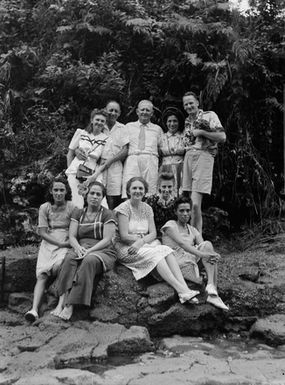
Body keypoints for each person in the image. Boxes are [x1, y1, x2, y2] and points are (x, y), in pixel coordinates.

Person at [114, 177, 200, 304]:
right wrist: (139, 241)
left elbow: (153, 233)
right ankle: (181, 290)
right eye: (134, 188)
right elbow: (124, 236)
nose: (137, 191)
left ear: (145, 191)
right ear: (128, 191)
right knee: (157, 254)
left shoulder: (147, 208)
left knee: (166, 249)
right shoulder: (124, 208)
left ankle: (185, 290)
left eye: (140, 188)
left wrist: (141, 242)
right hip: (126, 248)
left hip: (143, 244)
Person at [51, 181, 117, 320]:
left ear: (102, 197)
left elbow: (107, 239)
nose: (94, 196)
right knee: (69, 259)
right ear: (86, 195)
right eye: (92, 193)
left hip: (102, 250)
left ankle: (71, 304)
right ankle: (61, 301)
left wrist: (90, 250)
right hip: (81, 246)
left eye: (98, 194)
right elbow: (72, 236)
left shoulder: (107, 214)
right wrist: (78, 247)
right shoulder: (78, 212)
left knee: (89, 260)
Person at [161, 196, 229, 310]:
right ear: (175, 212)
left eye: (188, 210)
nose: (185, 214)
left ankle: (212, 287)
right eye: (181, 211)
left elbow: (204, 247)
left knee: (207, 245)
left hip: (191, 260)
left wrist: (212, 254)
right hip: (177, 263)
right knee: (207, 253)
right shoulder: (170, 225)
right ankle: (213, 293)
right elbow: (182, 244)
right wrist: (204, 255)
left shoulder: (192, 229)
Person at [25, 177, 74, 322]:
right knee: (42, 274)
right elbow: (42, 232)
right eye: (56, 190)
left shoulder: (72, 207)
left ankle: (61, 304)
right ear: (51, 192)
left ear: (66, 191)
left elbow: (74, 229)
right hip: (49, 242)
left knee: (61, 267)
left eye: (61, 190)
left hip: (66, 239)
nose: (59, 193)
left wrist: (66, 243)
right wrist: (58, 243)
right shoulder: (44, 207)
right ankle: (34, 310)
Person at [182, 92, 226, 233]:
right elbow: (187, 142)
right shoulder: (187, 121)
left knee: (195, 204)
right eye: (186, 104)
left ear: (197, 103)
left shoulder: (209, 115)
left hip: (203, 158)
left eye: (191, 103)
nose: (189, 106)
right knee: (188, 204)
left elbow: (222, 137)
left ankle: (197, 240)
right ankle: (190, 238)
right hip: (189, 157)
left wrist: (201, 132)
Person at [87, 101, 129, 209]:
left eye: (116, 111)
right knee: (96, 191)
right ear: (105, 110)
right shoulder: (99, 124)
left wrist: (111, 160)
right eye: (111, 110)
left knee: (112, 196)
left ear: (119, 113)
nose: (113, 113)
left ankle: (110, 220)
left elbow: (125, 150)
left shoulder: (122, 128)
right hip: (98, 164)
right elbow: (87, 139)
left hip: (115, 165)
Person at [65, 109, 108, 209]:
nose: (99, 123)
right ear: (92, 120)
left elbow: (104, 162)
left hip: (93, 173)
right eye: (97, 120)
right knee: (76, 202)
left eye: (102, 121)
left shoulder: (106, 139)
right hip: (75, 170)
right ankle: (75, 223)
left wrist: (94, 176)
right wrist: (70, 171)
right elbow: (70, 153)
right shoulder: (81, 133)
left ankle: (103, 223)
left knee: (101, 203)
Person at [121, 100, 163, 198]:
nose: (144, 112)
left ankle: (148, 212)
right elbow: (123, 148)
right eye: (142, 109)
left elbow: (162, 149)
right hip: (133, 159)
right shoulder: (128, 126)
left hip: (150, 159)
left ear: (152, 113)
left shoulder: (157, 129)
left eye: (147, 110)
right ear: (137, 111)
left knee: (150, 192)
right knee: (130, 188)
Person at [159, 107, 185, 196]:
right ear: (166, 123)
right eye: (169, 121)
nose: (172, 124)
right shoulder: (161, 137)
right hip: (165, 168)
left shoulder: (184, 136)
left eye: (175, 121)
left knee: (179, 192)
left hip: (180, 168)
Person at [145, 172, 176, 239]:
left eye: (169, 187)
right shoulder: (151, 201)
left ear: (174, 186)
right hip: (154, 236)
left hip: (172, 237)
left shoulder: (176, 202)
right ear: (159, 186)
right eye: (164, 187)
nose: (167, 190)